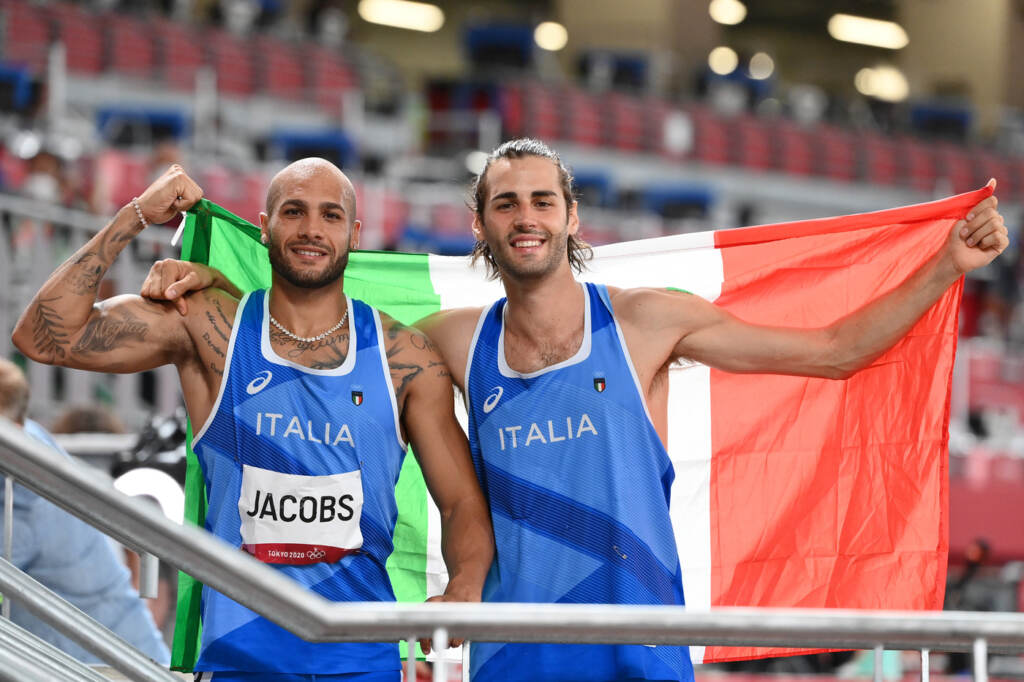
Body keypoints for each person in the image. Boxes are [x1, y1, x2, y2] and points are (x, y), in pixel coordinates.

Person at [137, 138, 1009, 682]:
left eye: (541, 200)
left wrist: (944, 267)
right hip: (512, 655)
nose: (526, 217)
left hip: (638, 651)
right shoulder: (451, 340)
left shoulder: (645, 322)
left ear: (570, 217)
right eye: (505, 203)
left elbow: (835, 352)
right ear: (480, 226)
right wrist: (218, 285)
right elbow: (318, 331)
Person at [11, 159, 494, 681]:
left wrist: (464, 587)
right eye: (294, 212)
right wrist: (136, 215)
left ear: (354, 235)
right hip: (241, 660)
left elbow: (461, 501)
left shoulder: (404, 357)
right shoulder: (207, 328)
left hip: (358, 660)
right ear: (264, 226)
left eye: (330, 215)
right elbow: (43, 335)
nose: (311, 229)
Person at [0, 358, 170, 665]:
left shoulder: (24, 491)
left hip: (111, 669)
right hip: (112, 658)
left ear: (12, 430)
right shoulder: (28, 444)